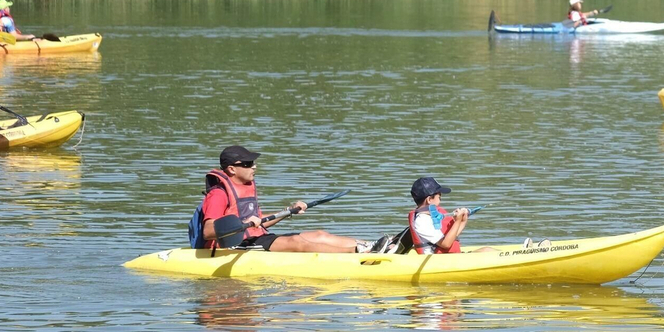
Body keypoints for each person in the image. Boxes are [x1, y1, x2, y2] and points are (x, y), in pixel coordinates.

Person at [199, 145, 370, 253]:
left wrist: (287, 212)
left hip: (256, 238)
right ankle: (358, 252)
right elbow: (207, 232)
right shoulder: (218, 194)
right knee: (297, 241)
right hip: (236, 246)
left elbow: (261, 221)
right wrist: (244, 223)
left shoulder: (246, 187)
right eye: (247, 164)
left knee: (319, 234)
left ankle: (375, 245)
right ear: (231, 169)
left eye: (253, 162)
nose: (254, 166)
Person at [408, 176, 470, 255]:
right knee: (487, 251)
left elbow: (451, 237)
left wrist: (463, 221)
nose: (440, 201)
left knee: (487, 249)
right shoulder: (422, 221)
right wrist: (457, 221)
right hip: (437, 260)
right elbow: (446, 244)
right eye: (439, 198)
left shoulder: (430, 217)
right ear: (429, 199)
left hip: (447, 256)